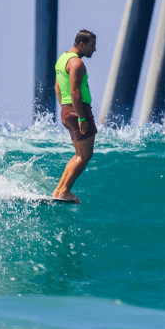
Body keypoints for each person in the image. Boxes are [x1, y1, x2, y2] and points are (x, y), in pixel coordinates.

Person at [53, 30, 98, 203]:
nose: (94, 49)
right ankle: (64, 190)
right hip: (78, 111)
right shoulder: (76, 63)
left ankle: (59, 190)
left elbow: (57, 88)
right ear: (81, 44)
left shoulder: (62, 59)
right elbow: (75, 91)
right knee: (85, 155)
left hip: (67, 110)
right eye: (92, 45)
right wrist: (80, 118)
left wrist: (65, 109)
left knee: (79, 153)